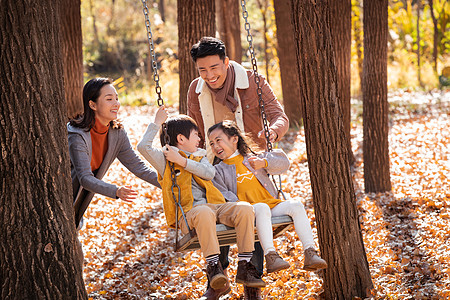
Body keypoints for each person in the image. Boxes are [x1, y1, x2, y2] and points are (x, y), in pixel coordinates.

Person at [187, 36, 289, 299]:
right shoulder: (195, 90)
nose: (209, 75)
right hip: (215, 166)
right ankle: (216, 281)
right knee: (217, 217)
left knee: (252, 220)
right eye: (202, 70)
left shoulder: (251, 81)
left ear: (226, 62)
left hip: (248, 165)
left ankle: (252, 285)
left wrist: (273, 134)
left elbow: (279, 115)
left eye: (214, 67)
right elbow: (194, 133)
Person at [137, 106, 266, 292]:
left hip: (215, 207)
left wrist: (183, 162)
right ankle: (214, 267)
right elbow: (143, 147)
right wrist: (157, 123)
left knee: (245, 208)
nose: (200, 139)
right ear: (181, 139)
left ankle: (245, 265)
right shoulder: (165, 160)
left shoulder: (201, 157)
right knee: (204, 212)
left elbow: (209, 173)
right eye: (196, 135)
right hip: (189, 214)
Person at [208, 120, 328, 275]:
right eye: (211, 143)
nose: (215, 146)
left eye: (218, 140)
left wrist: (264, 162)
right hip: (249, 211)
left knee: (296, 205)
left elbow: (284, 163)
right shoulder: (217, 170)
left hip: (271, 205)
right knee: (262, 208)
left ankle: (310, 252)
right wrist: (240, 205)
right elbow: (223, 193)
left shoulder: (253, 157)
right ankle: (271, 256)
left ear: (234, 139)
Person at [68, 77, 160, 230]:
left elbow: (139, 168)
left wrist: (171, 184)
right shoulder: (77, 135)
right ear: (92, 104)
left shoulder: (116, 134)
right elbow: (85, 178)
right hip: (59, 200)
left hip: (78, 203)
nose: (116, 103)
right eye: (109, 99)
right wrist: (116, 191)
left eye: (116, 98)